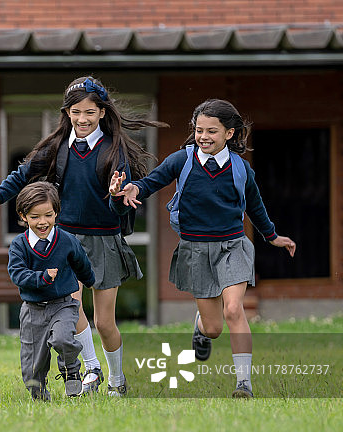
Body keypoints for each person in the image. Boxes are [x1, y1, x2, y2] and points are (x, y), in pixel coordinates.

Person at [0, 76, 166, 396]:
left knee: (104, 323)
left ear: (102, 112)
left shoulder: (114, 150)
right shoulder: (58, 147)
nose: (82, 118)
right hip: (67, 240)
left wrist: (117, 196)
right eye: (75, 111)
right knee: (71, 310)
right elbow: (21, 175)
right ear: (67, 113)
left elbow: (121, 212)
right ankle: (92, 368)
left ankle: (118, 381)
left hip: (105, 241)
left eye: (89, 112)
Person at [110, 98, 296, 398]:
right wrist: (133, 188)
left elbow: (256, 208)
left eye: (212, 130)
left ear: (229, 134)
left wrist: (273, 237)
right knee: (214, 328)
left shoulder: (241, 169)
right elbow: (151, 182)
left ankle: (243, 384)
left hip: (233, 246)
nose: (204, 136)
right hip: (196, 250)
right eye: (199, 130)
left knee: (234, 309)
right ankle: (201, 326)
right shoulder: (181, 161)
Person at [8, 182, 95, 400]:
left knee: (63, 339)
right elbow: (17, 274)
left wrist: (90, 280)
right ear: (23, 216)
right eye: (35, 216)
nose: (42, 222)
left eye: (48, 215)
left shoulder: (66, 240)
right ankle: (39, 394)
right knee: (32, 370)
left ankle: (71, 372)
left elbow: (81, 263)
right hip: (32, 310)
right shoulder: (19, 245)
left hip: (63, 304)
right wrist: (42, 278)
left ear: (56, 212)